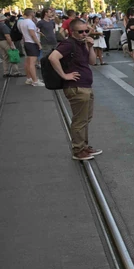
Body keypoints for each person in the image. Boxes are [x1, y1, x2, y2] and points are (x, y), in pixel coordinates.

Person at [48, 18, 101, 161]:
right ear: (72, 32)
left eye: (86, 31)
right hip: (76, 88)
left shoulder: (82, 43)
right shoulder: (68, 44)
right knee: (80, 120)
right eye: (81, 31)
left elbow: (92, 62)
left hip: (85, 86)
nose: (84, 34)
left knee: (86, 118)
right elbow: (53, 57)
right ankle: (78, 150)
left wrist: (90, 47)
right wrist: (65, 75)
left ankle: (84, 146)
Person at [18, 9, 43, 86]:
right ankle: (35, 81)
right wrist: (39, 44)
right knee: (32, 63)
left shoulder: (22, 22)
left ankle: (29, 78)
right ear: (32, 13)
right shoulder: (30, 22)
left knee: (28, 62)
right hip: (32, 43)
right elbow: (32, 34)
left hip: (26, 42)